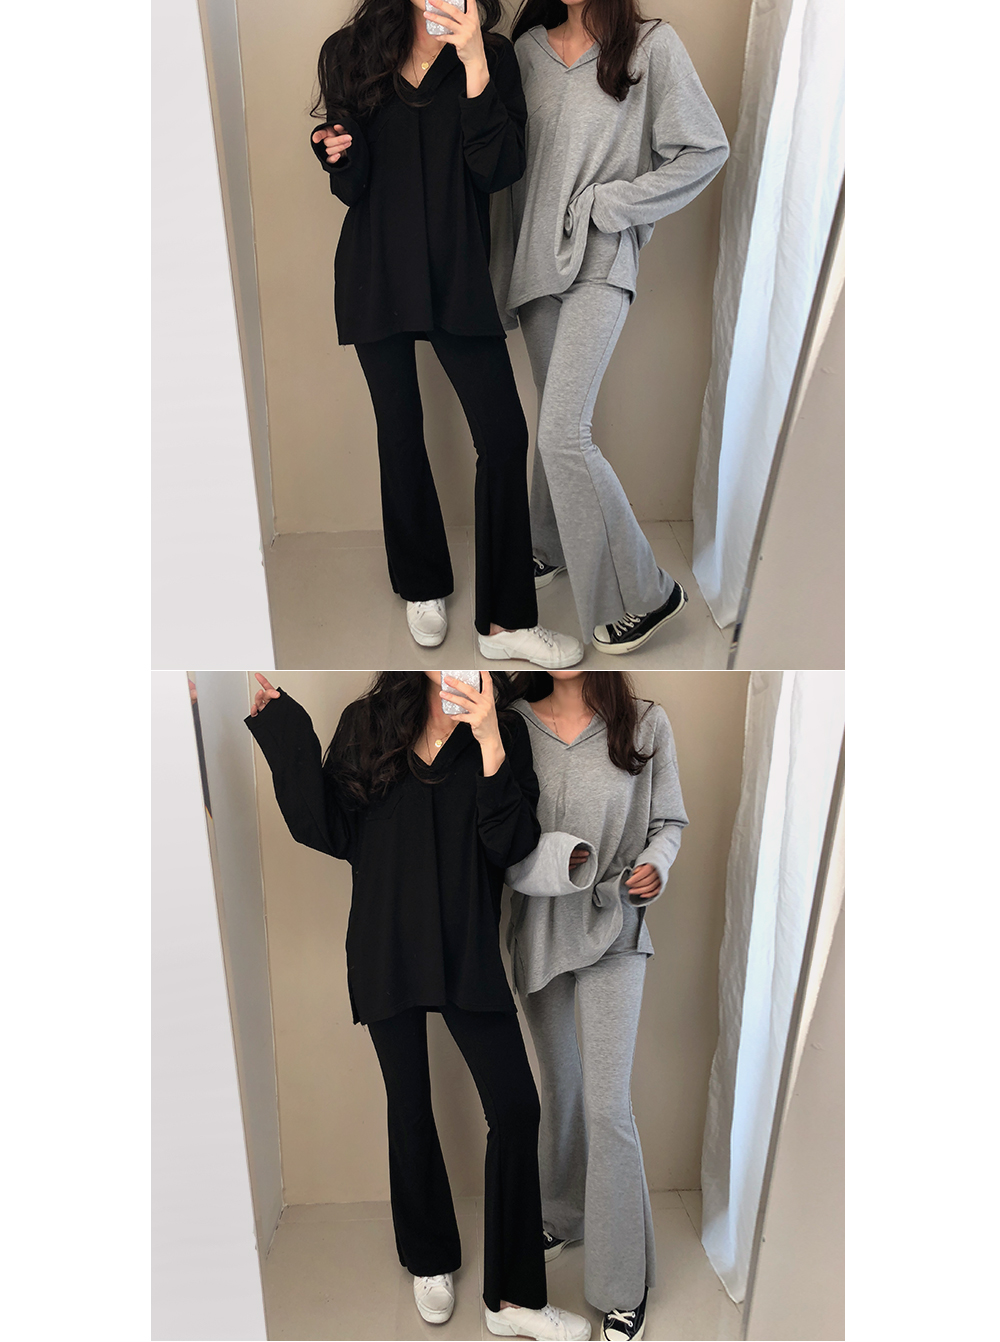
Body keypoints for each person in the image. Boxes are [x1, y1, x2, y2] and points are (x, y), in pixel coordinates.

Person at [246, 670, 590, 1340]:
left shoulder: (504, 730)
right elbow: (326, 827)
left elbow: (512, 846)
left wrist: (489, 740)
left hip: (465, 946)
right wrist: (285, 728)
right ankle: (428, 1257)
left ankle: (513, 1301)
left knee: (516, 1109)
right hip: (387, 945)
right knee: (408, 1106)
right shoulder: (369, 720)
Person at [310, 0, 582, 666]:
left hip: (456, 273)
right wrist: (335, 152)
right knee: (400, 430)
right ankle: (422, 584)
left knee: (504, 436)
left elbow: (499, 169)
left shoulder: (492, 56)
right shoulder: (350, 52)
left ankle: (505, 623)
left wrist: (475, 64)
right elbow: (352, 184)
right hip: (377, 269)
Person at [492, 1, 729, 655]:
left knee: (563, 433)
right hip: (537, 269)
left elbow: (706, 149)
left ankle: (647, 594)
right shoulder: (525, 52)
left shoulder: (651, 46)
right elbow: (509, 178)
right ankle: (547, 545)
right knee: (554, 416)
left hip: (600, 257)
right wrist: (501, 275)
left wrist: (613, 203)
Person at [502, 669, 688, 1341]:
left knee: (608, 1109)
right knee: (562, 1087)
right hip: (540, 930)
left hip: (616, 925)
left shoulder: (644, 722)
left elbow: (668, 822)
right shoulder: (511, 723)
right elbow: (499, 833)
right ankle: (563, 1214)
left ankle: (621, 1285)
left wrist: (657, 863)